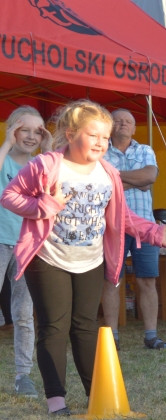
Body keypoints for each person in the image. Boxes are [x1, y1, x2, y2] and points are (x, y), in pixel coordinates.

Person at [1, 100, 166, 415]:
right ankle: (56, 400)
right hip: (48, 258)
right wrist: (45, 206)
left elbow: (122, 216)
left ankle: (94, 395)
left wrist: (157, 233)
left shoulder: (108, 172)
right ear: (71, 134)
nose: (101, 142)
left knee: (85, 326)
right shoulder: (47, 165)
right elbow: (10, 196)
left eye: (105, 136)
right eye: (93, 135)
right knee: (54, 326)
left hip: (90, 259)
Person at [99, 109, 166, 350]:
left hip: (145, 226)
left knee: (148, 280)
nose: (123, 124)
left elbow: (150, 176)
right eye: (118, 121)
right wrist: (134, 181)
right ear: (110, 126)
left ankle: (151, 336)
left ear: (134, 127)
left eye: (128, 121)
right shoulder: (100, 151)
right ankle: (112, 339)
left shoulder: (145, 149)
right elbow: (101, 182)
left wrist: (115, 178)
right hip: (112, 226)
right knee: (111, 281)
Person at [0, 106, 51, 398]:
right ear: (12, 131)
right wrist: (6, 143)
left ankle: (23, 376)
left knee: (23, 313)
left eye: (38, 131)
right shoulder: (4, 158)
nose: (31, 136)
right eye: (24, 130)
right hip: (0, 240)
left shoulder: (41, 164)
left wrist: (47, 149)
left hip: (27, 245)